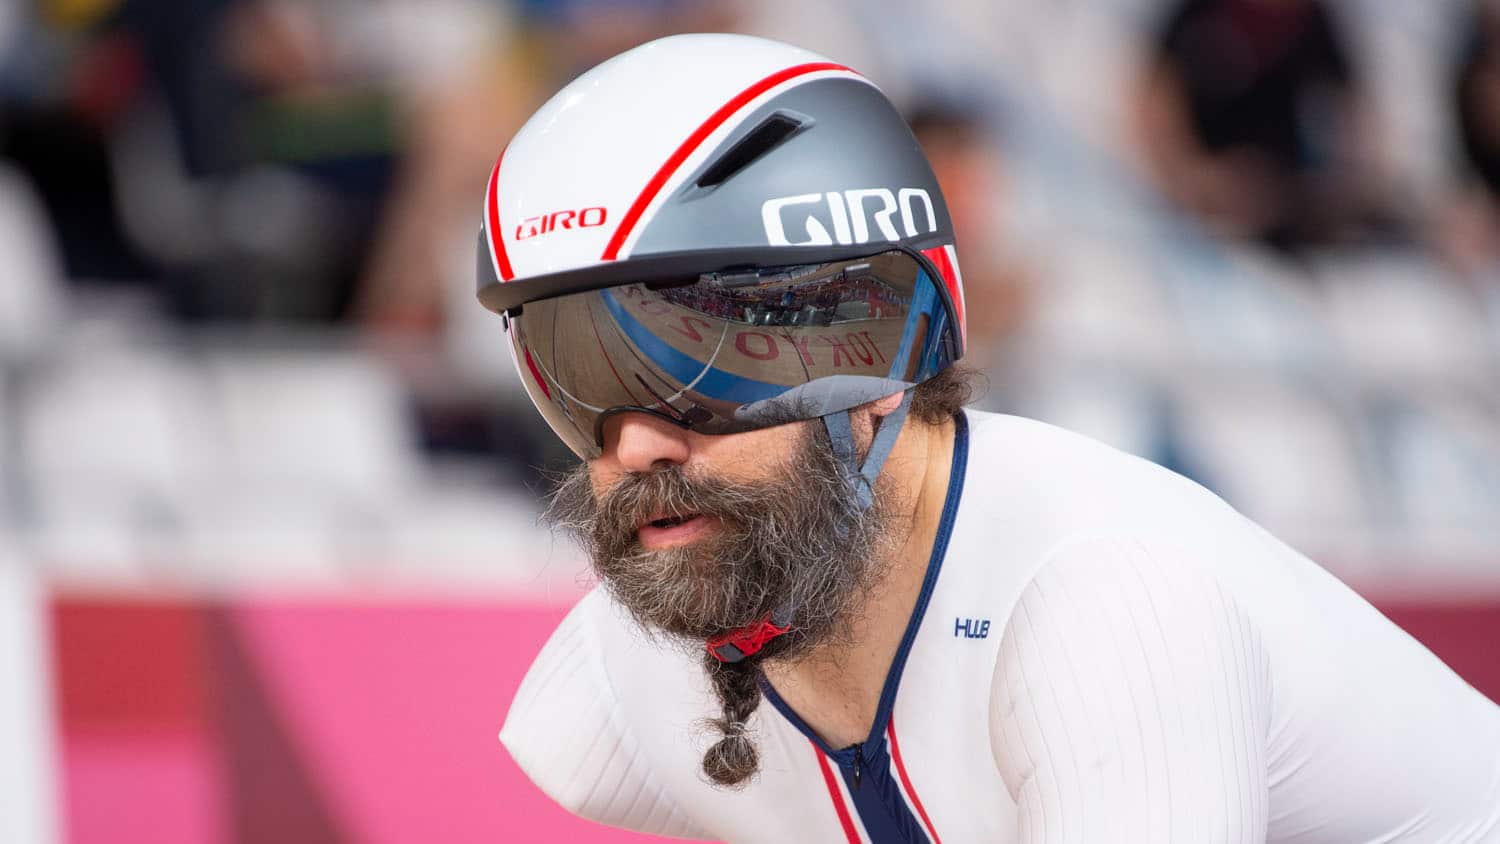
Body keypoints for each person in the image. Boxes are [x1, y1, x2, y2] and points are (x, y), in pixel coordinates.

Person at [484, 34, 1500, 843]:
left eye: (695, 376)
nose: (638, 447)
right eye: (582, 378)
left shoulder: (1108, 605)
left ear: (876, 353)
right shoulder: (613, 692)